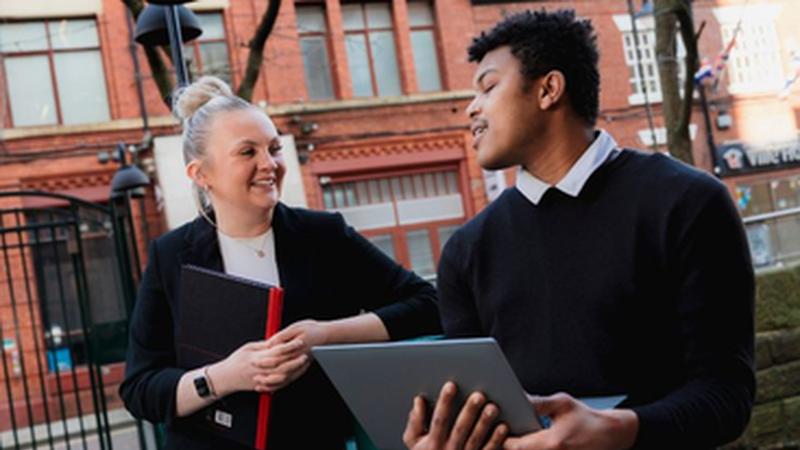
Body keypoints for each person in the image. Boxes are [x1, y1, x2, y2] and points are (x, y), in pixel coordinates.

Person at [403, 9, 755, 450]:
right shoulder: (466, 250)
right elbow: (479, 409)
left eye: (489, 87)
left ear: (549, 89)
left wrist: (618, 430)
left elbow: (727, 394)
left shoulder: (688, 202)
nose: (472, 108)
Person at [119, 76, 441, 450]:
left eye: (273, 148)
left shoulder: (324, 236)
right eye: (247, 152)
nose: (269, 163)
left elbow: (427, 305)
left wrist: (324, 334)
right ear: (200, 174)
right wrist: (225, 376)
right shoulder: (170, 256)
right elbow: (140, 389)